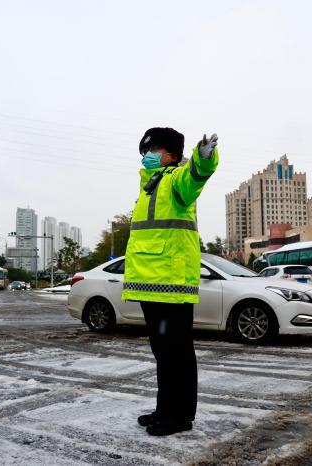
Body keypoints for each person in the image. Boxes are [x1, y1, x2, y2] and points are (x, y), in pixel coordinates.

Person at [122, 127, 219, 436]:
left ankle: (180, 417)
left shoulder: (176, 180)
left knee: (176, 353)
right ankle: (165, 409)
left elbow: (195, 177)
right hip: (150, 281)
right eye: (145, 152)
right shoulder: (150, 186)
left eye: (154, 151)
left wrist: (204, 158)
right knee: (163, 353)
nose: (147, 156)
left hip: (171, 282)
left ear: (172, 155)